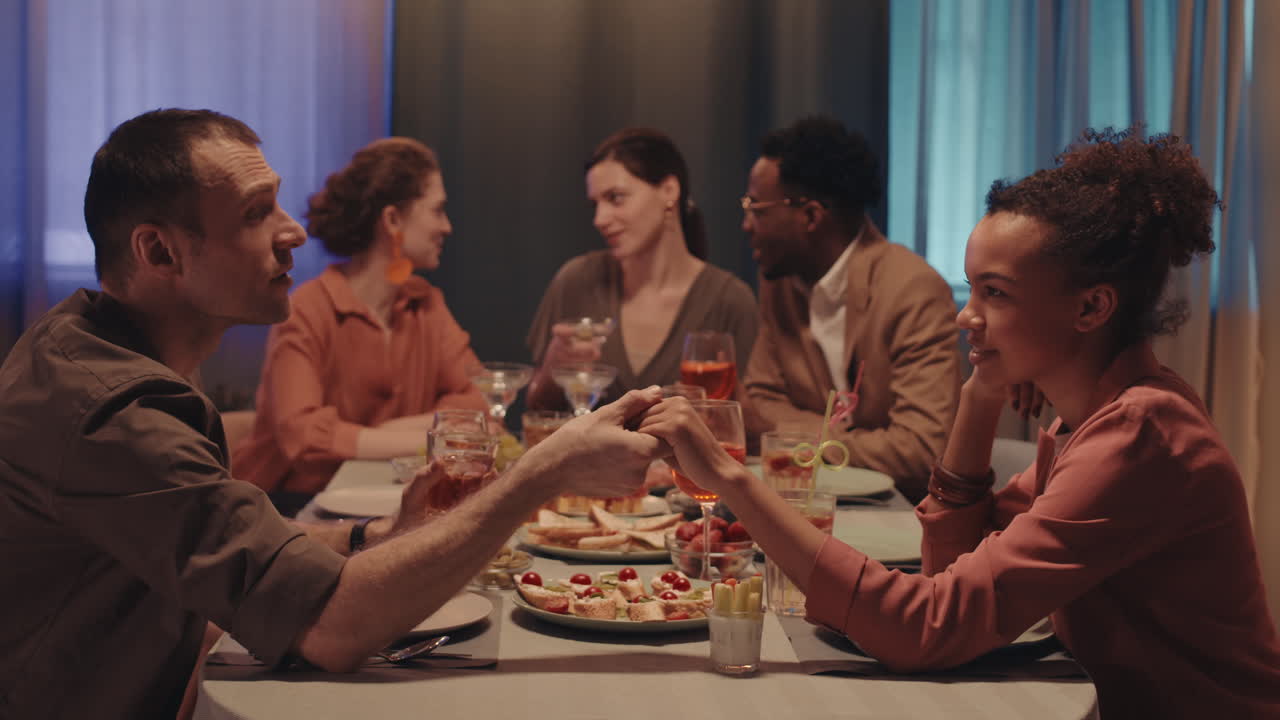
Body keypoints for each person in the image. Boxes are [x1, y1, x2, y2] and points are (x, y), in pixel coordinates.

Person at [0, 109, 668, 719]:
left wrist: (374, 535)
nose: (292, 231)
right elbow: (331, 628)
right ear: (159, 252)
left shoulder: (112, 357)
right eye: (258, 212)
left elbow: (241, 544)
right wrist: (542, 476)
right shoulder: (109, 412)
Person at [641, 128, 1280, 718]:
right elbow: (953, 568)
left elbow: (925, 628)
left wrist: (732, 479)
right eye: (971, 289)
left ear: (1091, 307)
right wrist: (979, 397)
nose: (964, 317)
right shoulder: (1085, 425)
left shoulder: (1140, 434)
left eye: (994, 294)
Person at [234, 137, 489, 512]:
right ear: (393, 220)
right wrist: (426, 436)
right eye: (437, 211)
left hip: (387, 502)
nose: (446, 226)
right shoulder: (307, 308)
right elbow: (303, 439)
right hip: (288, 509)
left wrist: (368, 436)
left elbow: (479, 404)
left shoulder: (426, 303)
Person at [741, 115, 960, 501]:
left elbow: (922, 449)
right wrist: (852, 442)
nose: (746, 224)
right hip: (804, 505)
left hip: (902, 516)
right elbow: (758, 405)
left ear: (810, 215)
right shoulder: (780, 285)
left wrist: (807, 440)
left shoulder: (913, 290)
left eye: (757, 209)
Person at [525, 127, 758, 412]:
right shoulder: (577, 280)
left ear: (669, 191)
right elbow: (538, 412)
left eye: (616, 198)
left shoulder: (730, 301)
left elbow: (743, 424)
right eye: (595, 204)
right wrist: (553, 368)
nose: (600, 219)